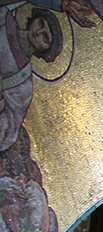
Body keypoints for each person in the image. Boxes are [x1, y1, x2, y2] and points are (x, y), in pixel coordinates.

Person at [0, 0, 93, 153]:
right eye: (41, 24)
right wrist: (59, 4)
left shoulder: (22, 85)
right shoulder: (4, 15)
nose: (38, 32)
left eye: (45, 38)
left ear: (45, 50)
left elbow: (6, 133)